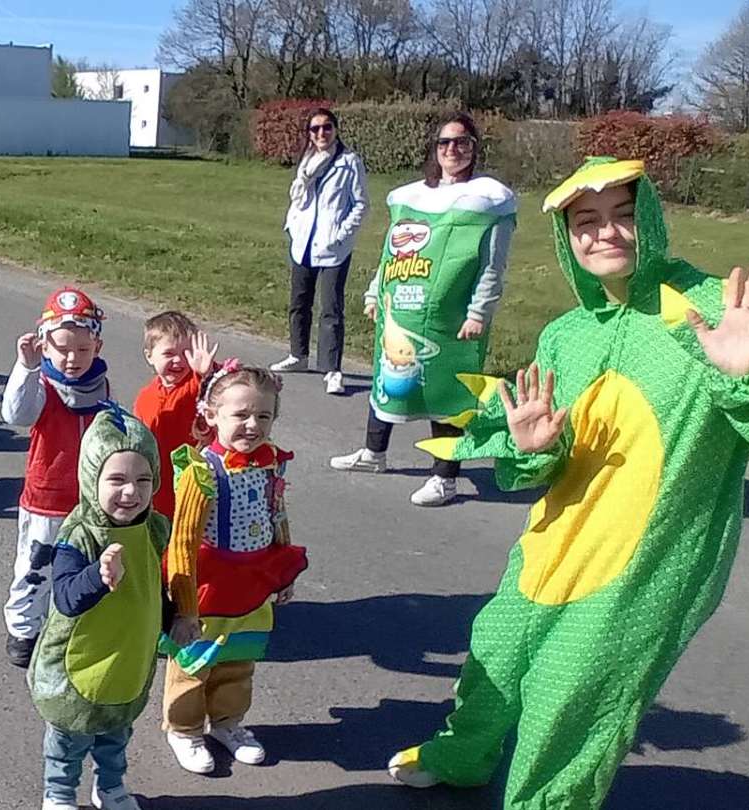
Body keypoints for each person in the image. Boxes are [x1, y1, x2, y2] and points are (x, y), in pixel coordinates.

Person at [386, 158, 749, 809]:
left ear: (651, 218)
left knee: (570, 699)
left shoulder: (713, 312)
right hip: (553, 545)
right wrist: (533, 448)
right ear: (567, 238)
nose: (605, 233)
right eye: (586, 222)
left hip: (649, 565)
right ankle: (461, 756)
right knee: (496, 653)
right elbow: (530, 466)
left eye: (623, 215)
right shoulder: (568, 334)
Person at [330, 113, 515, 508]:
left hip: (452, 320)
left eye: (462, 142)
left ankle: (445, 477)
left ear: (474, 148)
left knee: (446, 391)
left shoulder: (489, 201)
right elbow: (391, 254)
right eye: (444, 142)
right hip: (402, 311)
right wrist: (375, 292)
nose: (453, 149)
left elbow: (492, 266)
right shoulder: (411, 199)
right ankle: (374, 453)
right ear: (434, 149)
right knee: (389, 378)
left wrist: (478, 312)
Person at [28, 405, 180, 810]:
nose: (131, 492)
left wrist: (174, 618)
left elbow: (151, 587)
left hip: (127, 661)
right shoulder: (80, 533)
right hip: (82, 661)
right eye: (117, 480)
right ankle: (59, 793)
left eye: (143, 479)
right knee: (69, 739)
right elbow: (65, 597)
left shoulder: (152, 529)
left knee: (116, 735)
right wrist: (98, 575)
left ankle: (110, 787)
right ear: (91, 478)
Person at [159, 362, 307, 773]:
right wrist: (185, 606)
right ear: (211, 415)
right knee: (195, 660)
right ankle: (184, 729)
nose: (252, 425)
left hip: (252, 579)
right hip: (209, 582)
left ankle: (227, 722)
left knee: (239, 658)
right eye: (240, 414)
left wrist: (283, 572)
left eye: (263, 416)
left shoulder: (270, 462)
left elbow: (276, 514)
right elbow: (183, 541)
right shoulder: (202, 471)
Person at [0, 288, 109, 669]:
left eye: (82, 349)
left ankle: (70, 626)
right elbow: (16, 414)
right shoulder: (43, 385)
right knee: (35, 568)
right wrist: (26, 368)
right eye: (62, 349)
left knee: (81, 566)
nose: (72, 358)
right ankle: (24, 628)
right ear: (45, 346)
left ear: (97, 346)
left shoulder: (99, 383)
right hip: (46, 498)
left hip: (89, 498)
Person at [274, 108, 368, 396]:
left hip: (332, 248)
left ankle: (332, 370)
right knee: (298, 302)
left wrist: (341, 235)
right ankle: (298, 355)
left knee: (331, 309)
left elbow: (361, 204)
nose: (321, 133)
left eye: (327, 127)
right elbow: (298, 199)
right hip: (303, 242)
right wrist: (292, 226)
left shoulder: (349, 162)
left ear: (336, 129)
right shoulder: (307, 161)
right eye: (315, 129)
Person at [132, 312, 217, 517]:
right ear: (149, 356)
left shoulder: (196, 384)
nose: (178, 360)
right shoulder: (145, 396)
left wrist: (206, 374)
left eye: (186, 353)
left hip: (192, 483)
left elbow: (221, 390)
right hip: (156, 485)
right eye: (169, 353)